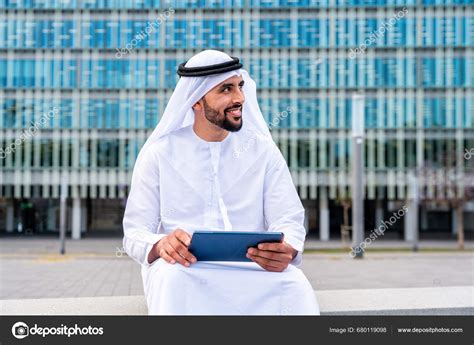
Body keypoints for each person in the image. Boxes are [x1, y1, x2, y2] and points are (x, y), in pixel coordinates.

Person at [122, 49, 319, 315]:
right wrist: (159, 245)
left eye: (239, 87)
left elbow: (289, 218)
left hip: (253, 268)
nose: (239, 98)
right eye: (226, 90)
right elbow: (134, 232)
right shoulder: (159, 153)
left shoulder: (262, 150)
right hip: (185, 269)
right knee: (173, 281)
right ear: (196, 101)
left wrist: (288, 249)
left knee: (294, 284)